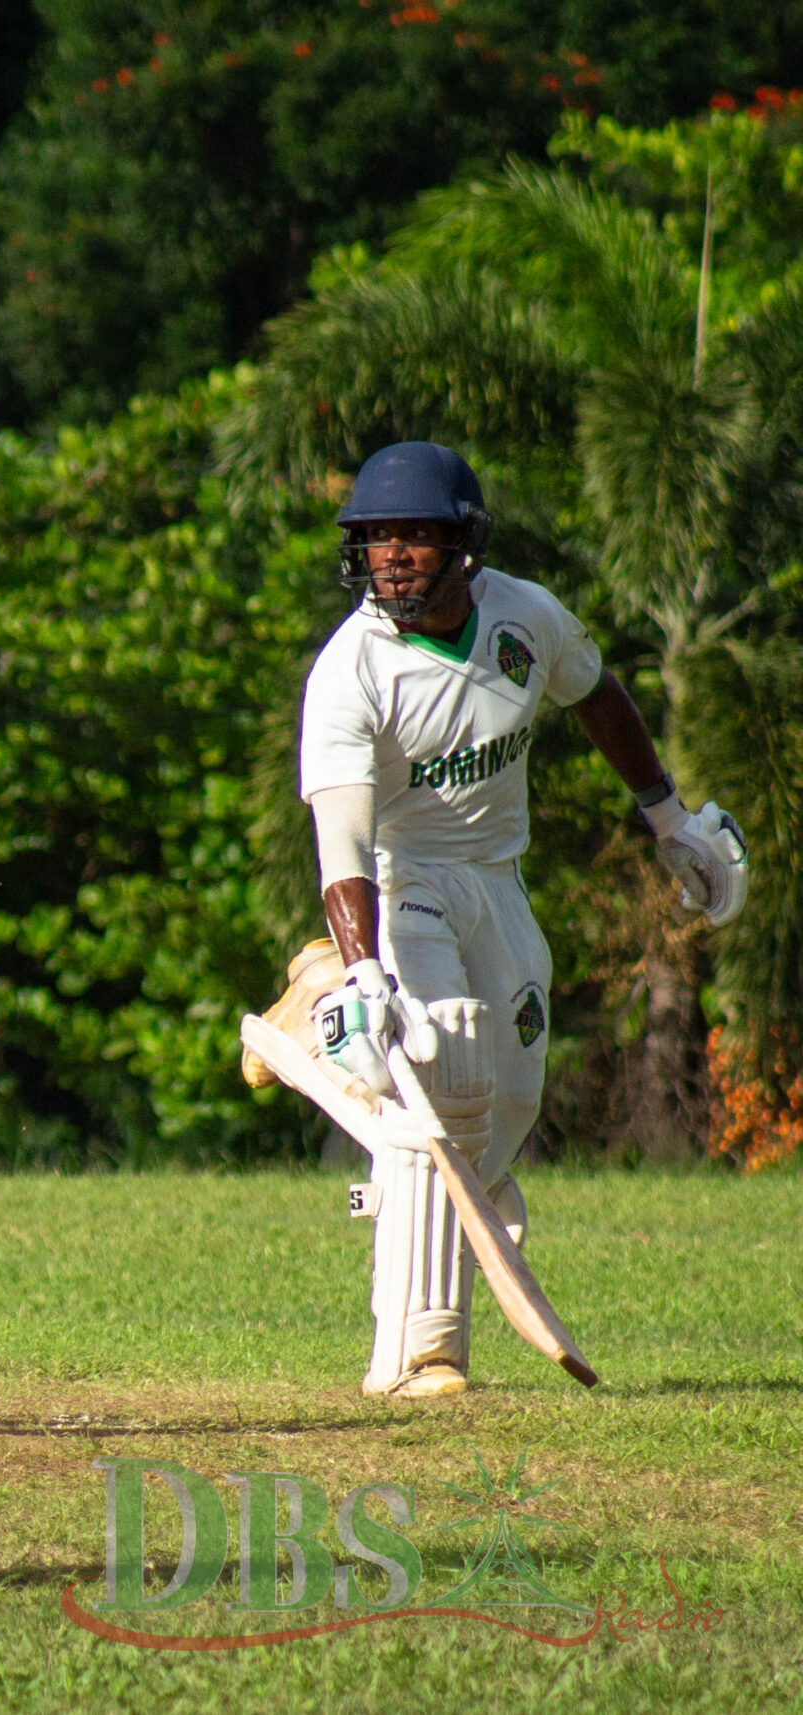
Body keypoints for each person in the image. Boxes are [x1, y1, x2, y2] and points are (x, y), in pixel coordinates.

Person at [291, 441, 745, 1399]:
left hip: (495, 879)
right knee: (445, 1057)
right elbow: (340, 839)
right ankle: (421, 1350)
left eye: (413, 535)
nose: (392, 557)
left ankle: (344, 1052)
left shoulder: (523, 617)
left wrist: (668, 819)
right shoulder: (348, 673)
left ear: (464, 542)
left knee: (509, 1093)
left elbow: (599, 696)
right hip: (400, 879)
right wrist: (368, 971)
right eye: (375, 540)